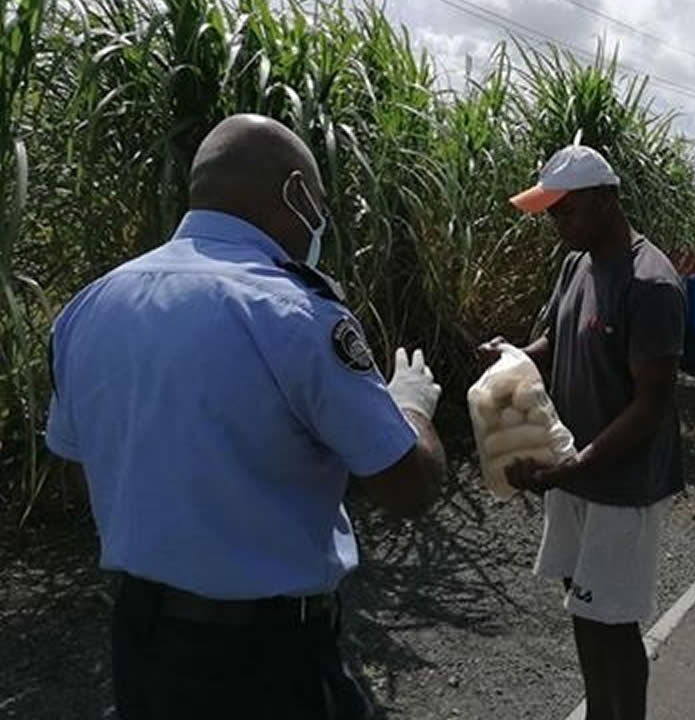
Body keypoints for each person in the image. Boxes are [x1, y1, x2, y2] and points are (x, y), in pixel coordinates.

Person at [44, 114, 448, 720]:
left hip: (141, 646)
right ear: (294, 194)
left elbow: (76, 468)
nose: (320, 221)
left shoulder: (89, 305)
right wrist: (411, 404)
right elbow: (408, 485)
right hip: (264, 660)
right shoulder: (293, 312)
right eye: (318, 202)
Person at [484, 139, 685, 720]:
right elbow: (559, 340)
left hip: (621, 486)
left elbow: (652, 404)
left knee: (615, 625)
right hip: (573, 475)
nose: (554, 223)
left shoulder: (650, 284)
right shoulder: (577, 264)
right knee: (583, 609)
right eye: (549, 212)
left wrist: (575, 466)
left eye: (564, 210)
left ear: (604, 200)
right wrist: (515, 356)